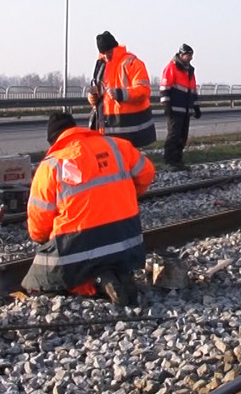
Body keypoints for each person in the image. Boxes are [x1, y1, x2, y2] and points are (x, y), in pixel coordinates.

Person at [20, 112, 155, 306]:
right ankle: (120, 274)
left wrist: (46, 240)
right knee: (109, 258)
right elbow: (147, 174)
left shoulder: (51, 165)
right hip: (126, 241)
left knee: (38, 280)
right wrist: (124, 196)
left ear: (54, 140)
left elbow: (38, 226)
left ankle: (97, 282)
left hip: (80, 247)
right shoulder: (117, 146)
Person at [87, 31, 157, 149]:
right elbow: (96, 88)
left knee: (127, 161)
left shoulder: (132, 63)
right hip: (106, 126)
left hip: (128, 125)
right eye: (103, 53)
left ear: (115, 47)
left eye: (109, 52)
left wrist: (120, 94)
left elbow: (144, 90)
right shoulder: (101, 64)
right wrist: (92, 97)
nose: (106, 56)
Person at [159, 43, 201, 170]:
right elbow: (165, 88)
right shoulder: (172, 67)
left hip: (185, 110)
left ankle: (178, 161)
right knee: (173, 136)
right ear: (182, 55)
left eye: (191, 55)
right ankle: (169, 162)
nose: (190, 58)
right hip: (175, 109)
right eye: (188, 55)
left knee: (182, 137)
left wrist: (196, 107)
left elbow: (193, 91)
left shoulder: (189, 71)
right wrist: (166, 105)